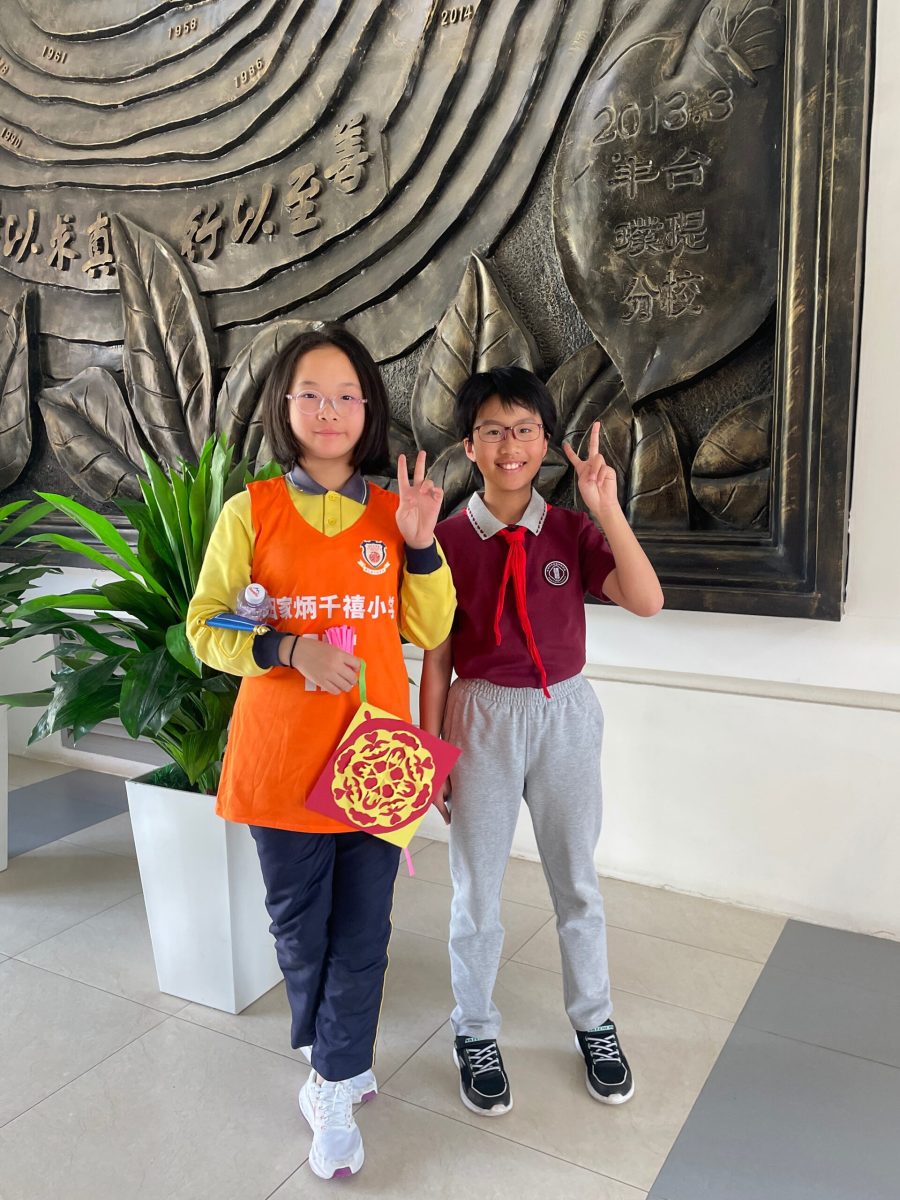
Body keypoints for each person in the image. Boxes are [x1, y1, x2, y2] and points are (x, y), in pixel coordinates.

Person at [187, 324, 455, 1179]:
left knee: (364, 930)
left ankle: (334, 1081)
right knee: (300, 931)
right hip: (280, 757)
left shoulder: (393, 513)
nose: (330, 410)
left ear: (368, 409)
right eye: (312, 394)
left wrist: (421, 542)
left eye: (347, 395)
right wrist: (286, 648)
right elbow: (205, 628)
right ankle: (332, 1051)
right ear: (285, 405)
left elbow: (431, 628)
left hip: (376, 756)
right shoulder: (252, 510)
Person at [419, 366, 663, 1118]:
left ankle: (595, 1021)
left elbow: (647, 600)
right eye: (493, 430)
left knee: (577, 882)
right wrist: (432, 754)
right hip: (481, 716)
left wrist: (606, 507)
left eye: (525, 429)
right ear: (470, 445)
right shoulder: (447, 539)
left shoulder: (570, 530)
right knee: (476, 891)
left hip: (565, 714)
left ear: (546, 441)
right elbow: (436, 657)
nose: (510, 445)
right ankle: (474, 1029)